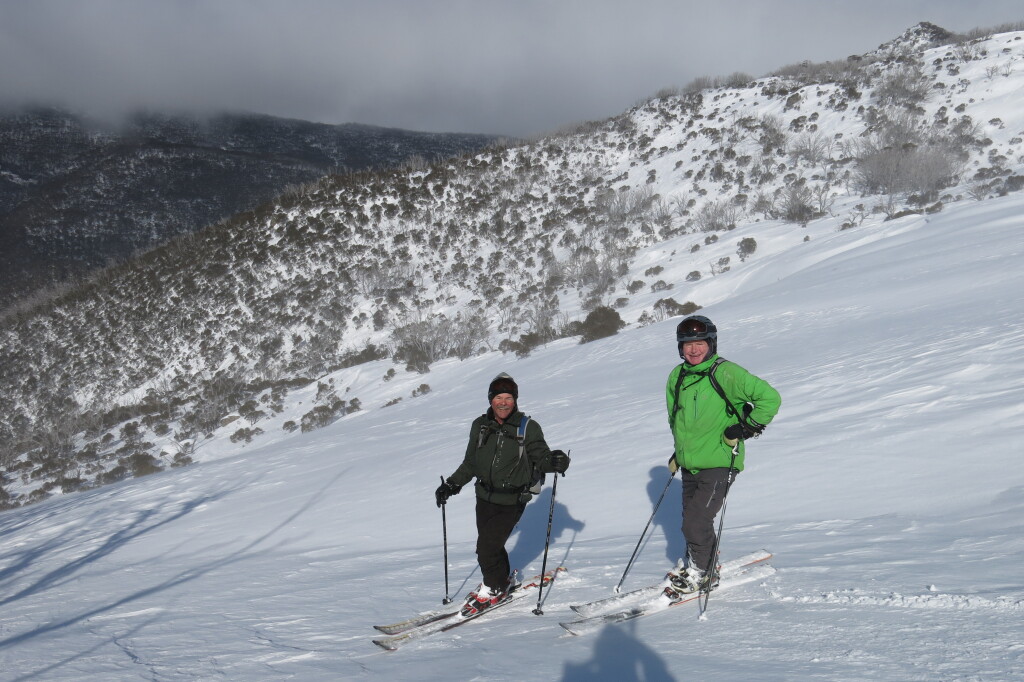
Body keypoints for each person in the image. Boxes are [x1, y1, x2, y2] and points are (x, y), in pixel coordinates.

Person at [434, 373, 570, 616]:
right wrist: (451, 485)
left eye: (508, 398)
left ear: (515, 400)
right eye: (499, 398)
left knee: (485, 548)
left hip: (512, 500)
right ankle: (501, 580)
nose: (503, 403)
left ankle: (494, 587)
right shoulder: (480, 426)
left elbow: (542, 457)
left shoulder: (527, 427)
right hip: (484, 497)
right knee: (492, 546)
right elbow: (471, 462)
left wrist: (556, 461)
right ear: (490, 400)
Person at [664, 315, 780, 596]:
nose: (694, 350)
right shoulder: (677, 376)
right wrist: (680, 452)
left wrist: (745, 428)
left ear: (711, 344)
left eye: (700, 343)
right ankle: (702, 561)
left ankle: (704, 574)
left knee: (695, 522)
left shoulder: (726, 372)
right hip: (690, 463)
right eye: (688, 344)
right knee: (691, 520)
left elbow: (770, 398)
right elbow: (677, 420)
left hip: (720, 461)